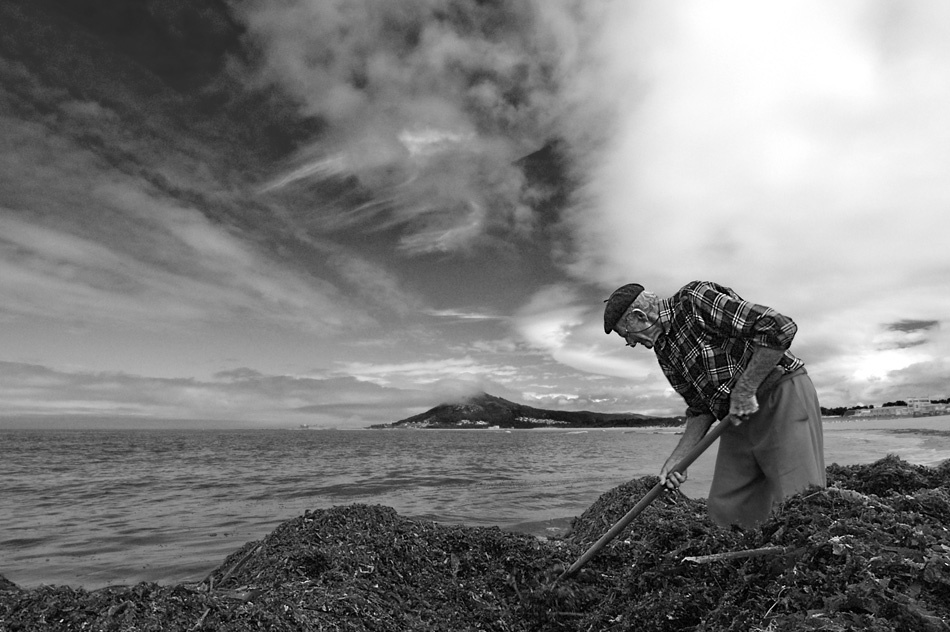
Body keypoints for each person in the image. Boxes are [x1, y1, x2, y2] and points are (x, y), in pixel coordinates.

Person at [603, 280, 825, 529]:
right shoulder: (663, 351)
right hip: (735, 417)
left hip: (780, 394)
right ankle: (756, 551)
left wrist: (745, 387)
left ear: (639, 316)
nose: (631, 343)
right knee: (727, 508)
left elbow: (778, 327)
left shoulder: (693, 300)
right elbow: (700, 408)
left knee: (800, 501)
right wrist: (679, 458)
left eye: (626, 335)